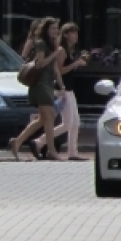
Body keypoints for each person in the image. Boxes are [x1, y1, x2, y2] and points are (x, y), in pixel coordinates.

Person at [33, 22, 89, 160]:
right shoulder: (62, 50)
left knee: (75, 122)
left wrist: (78, 62)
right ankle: (39, 141)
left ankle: (73, 152)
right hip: (61, 89)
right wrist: (75, 64)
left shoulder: (70, 50)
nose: (75, 36)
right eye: (73, 33)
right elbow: (60, 70)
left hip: (69, 89)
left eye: (76, 33)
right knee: (67, 123)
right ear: (65, 35)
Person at [9, 17, 62, 161]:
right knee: (49, 116)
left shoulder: (52, 44)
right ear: (46, 29)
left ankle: (17, 141)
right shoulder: (41, 43)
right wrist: (55, 54)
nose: (55, 31)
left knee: (43, 119)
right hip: (40, 85)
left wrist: (61, 85)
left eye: (57, 28)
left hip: (48, 84)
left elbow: (55, 68)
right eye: (52, 28)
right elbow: (40, 64)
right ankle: (51, 151)